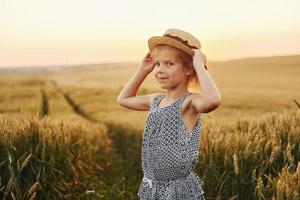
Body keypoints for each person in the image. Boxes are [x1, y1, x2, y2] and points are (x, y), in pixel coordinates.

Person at [117, 28, 221, 200]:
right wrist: (143, 70)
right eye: (157, 64)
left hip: (177, 192)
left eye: (169, 64)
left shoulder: (189, 103)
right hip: (152, 189)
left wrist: (199, 66)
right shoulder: (155, 100)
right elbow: (123, 99)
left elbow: (212, 101)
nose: (159, 70)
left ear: (188, 69)